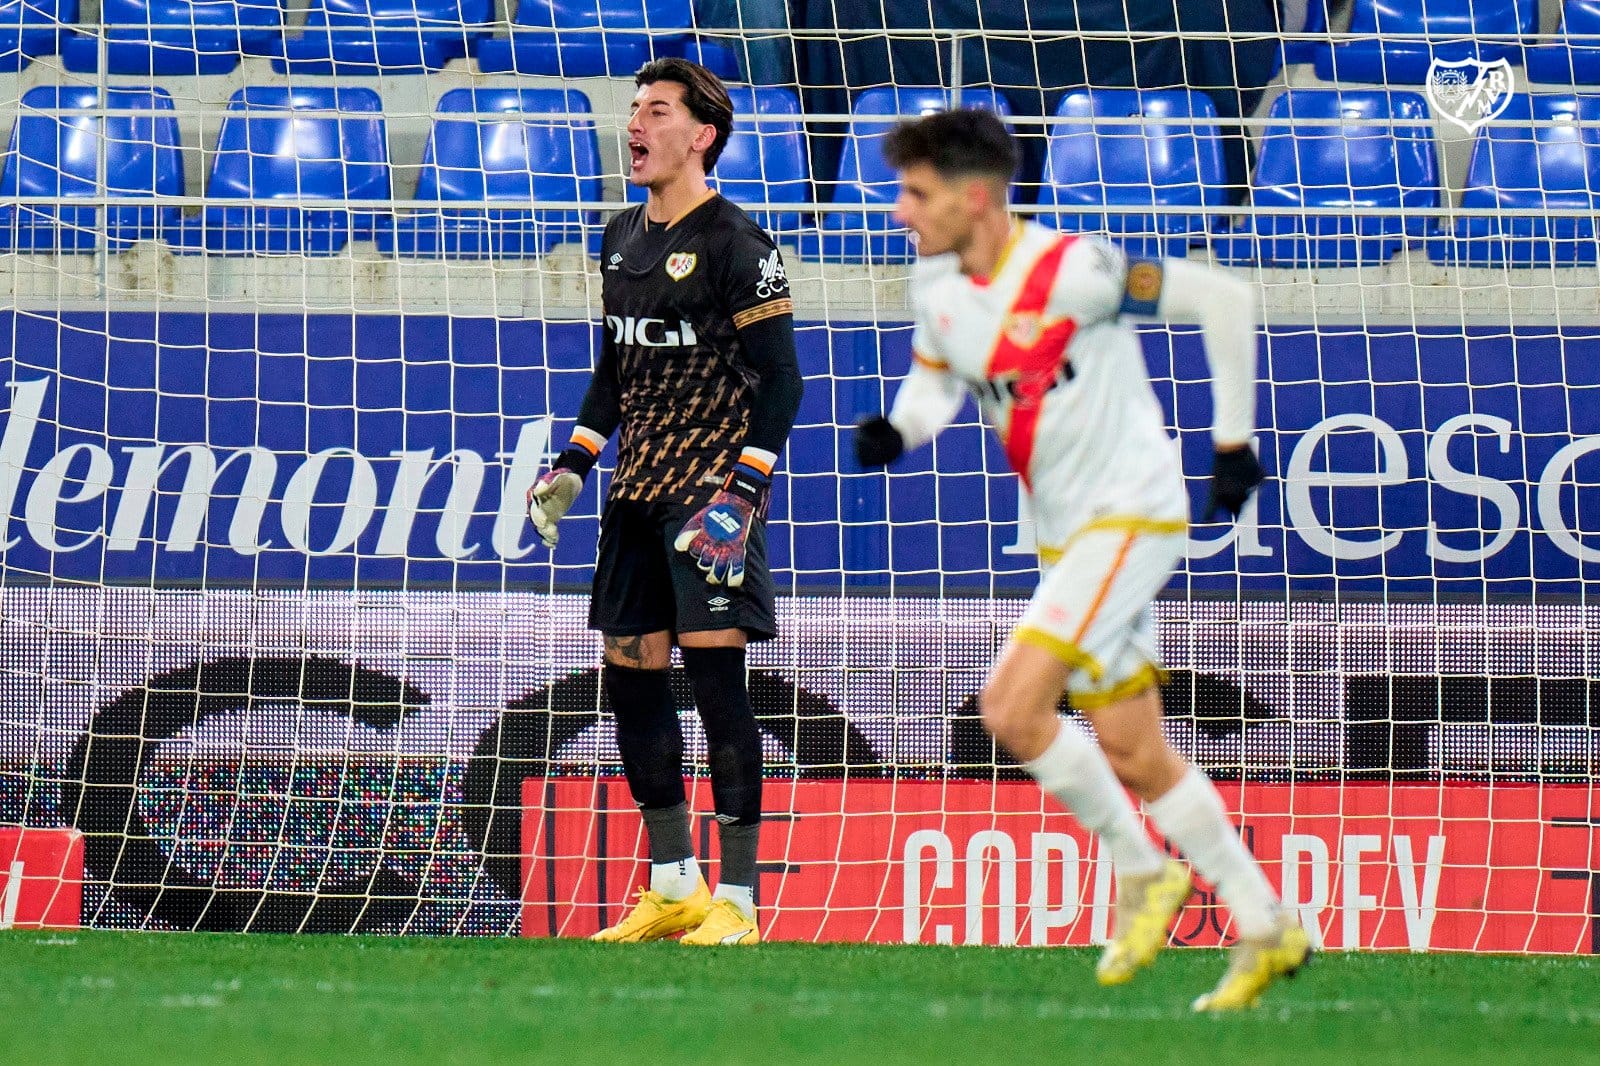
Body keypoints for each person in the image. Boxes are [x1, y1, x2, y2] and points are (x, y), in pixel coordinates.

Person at [853, 108, 1308, 1011]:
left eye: (916, 193)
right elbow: (939, 376)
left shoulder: (1078, 268)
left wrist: (1232, 442)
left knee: (1010, 707)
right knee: (1138, 754)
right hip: (1068, 538)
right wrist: (900, 427)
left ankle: (1141, 873)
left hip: (1130, 517)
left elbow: (1224, 299)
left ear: (975, 197)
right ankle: (1266, 923)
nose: (899, 210)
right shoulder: (937, 286)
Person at [527, 57, 802, 947]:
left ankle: (742, 900)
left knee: (718, 681)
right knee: (630, 676)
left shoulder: (738, 246)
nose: (635, 126)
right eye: (633, 110)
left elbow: (784, 383)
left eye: (656, 111)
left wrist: (745, 492)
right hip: (636, 492)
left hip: (711, 494)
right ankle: (673, 882)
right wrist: (574, 461)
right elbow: (616, 371)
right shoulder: (618, 238)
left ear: (702, 135)